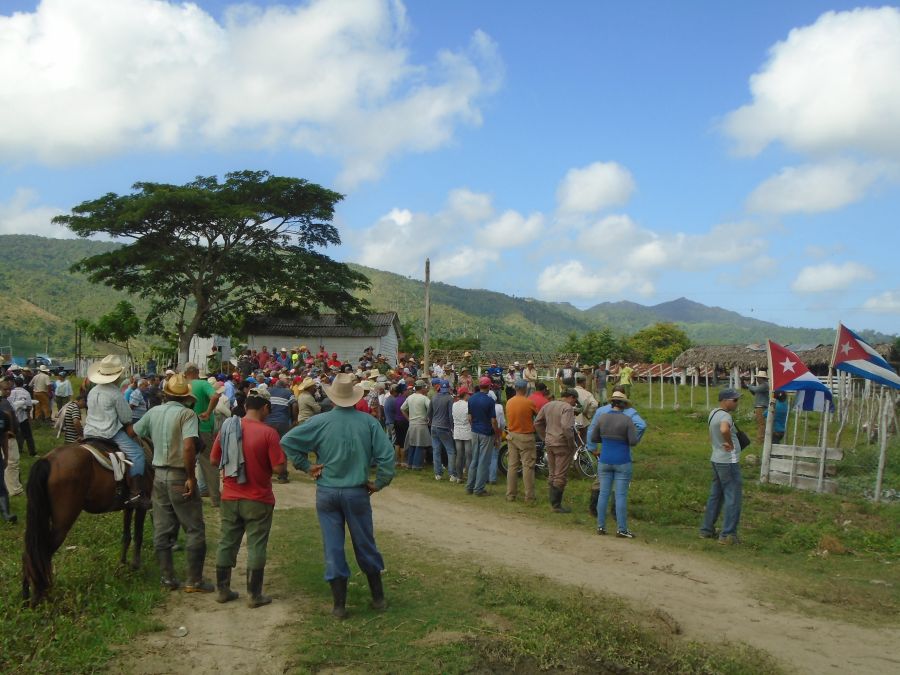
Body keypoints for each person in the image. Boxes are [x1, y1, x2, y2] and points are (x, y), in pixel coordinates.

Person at [280, 373, 395, 619]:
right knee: (365, 542)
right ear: (355, 398)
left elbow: (288, 440)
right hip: (356, 492)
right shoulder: (368, 423)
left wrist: (305, 465)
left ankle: (339, 606)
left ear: (332, 398)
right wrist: (379, 483)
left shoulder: (320, 421)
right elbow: (387, 456)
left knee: (333, 546)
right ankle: (378, 598)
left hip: (328, 492)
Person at [134, 373, 213, 592]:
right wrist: (190, 476)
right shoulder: (188, 415)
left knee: (162, 528)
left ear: (166, 394)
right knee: (194, 528)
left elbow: (135, 432)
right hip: (179, 475)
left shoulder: (153, 412)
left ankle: (168, 578)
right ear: (186, 397)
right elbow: (189, 446)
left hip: (159, 476)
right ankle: (194, 581)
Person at [210, 387, 286, 607]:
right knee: (256, 545)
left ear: (244, 407)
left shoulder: (227, 428)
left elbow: (215, 460)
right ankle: (254, 596)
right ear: (265, 408)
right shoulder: (269, 433)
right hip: (258, 498)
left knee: (226, 542)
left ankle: (222, 590)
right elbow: (279, 468)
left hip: (231, 497)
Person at [83, 355, 150, 508]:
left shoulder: (93, 391)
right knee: (137, 453)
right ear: (117, 376)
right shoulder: (115, 394)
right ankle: (136, 492)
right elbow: (126, 417)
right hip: (110, 433)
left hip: (90, 431)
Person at [585, 384, 646, 517]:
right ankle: (615, 513)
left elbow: (591, 430)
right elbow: (641, 425)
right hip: (623, 451)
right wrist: (632, 440)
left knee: (600, 480)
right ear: (625, 397)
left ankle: (594, 510)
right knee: (620, 484)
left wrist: (592, 448)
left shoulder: (602, 411)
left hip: (605, 449)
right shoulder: (630, 412)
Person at [700, 389, 744, 545]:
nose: (737, 403)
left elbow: (712, 434)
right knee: (733, 496)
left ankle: (706, 529)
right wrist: (730, 443)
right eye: (735, 400)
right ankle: (728, 534)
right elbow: (724, 429)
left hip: (716, 458)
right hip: (728, 461)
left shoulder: (713, 413)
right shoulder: (726, 416)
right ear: (725, 400)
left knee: (716, 495)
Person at [534, 388, 578, 513]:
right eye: (575, 400)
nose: (575, 403)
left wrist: (544, 436)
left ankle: (552, 502)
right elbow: (566, 426)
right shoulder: (567, 408)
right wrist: (571, 442)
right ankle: (556, 505)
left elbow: (537, 422)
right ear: (571, 397)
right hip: (562, 444)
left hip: (549, 442)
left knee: (552, 472)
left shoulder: (548, 405)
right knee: (560, 474)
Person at [183, 362, 221, 507]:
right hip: (202, 427)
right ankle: (215, 499)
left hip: (184, 429)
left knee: (185, 462)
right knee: (209, 464)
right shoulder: (202, 384)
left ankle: (186, 495)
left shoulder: (181, 385)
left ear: (186, 373)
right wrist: (208, 412)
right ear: (197, 372)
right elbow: (215, 396)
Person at [505, 380, 537, 504]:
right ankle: (529, 497)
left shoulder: (509, 402)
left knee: (512, 466)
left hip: (512, 436)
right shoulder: (529, 402)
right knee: (527, 466)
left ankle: (510, 495)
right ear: (525, 389)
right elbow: (538, 415)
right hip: (526, 436)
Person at [466, 377, 499, 497]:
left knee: (474, 459)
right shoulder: (490, 401)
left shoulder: (471, 398)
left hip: (475, 431)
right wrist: (496, 435)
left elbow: (469, 417)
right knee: (483, 461)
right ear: (489, 386)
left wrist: (473, 426)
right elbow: (493, 421)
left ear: (479, 386)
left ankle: (470, 486)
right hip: (486, 432)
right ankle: (478, 489)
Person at [265, 376, 297, 484]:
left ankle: (266, 472)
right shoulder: (288, 393)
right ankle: (282, 476)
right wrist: (294, 419)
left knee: (266, 447)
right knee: (282, 447)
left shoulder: (268, 391)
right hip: (282, 422)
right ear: (284, 386)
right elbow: (295, 405)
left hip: (268, 422)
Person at [427, 379, 456, 481]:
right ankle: (452, 474)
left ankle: (438, 474)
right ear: (448, 388)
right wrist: (452, 428)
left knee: (436, 450)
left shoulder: (434, 397)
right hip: (444, 427)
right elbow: (450, 415)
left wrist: (431, 423)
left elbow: (429, 413)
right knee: (451, 450)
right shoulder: (449, 398)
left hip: (434, 426)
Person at [401, 380, 430, 470]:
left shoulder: (410, 397)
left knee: (412, 444)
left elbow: (402, 408)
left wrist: (408, 418)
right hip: (421, 424)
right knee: (419, 445)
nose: (426, 388)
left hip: (412, 424)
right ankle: (417, 465)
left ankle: (410, 463)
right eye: (424, 387)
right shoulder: (424, 398)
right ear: (422, 388)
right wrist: (429, 417)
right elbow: (431, 408)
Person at [0, 399, 17, 523]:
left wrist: (6, 456)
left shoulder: (4, 416)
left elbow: (4, 437)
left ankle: (6, 514)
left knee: (1, 483)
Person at [451, 387, 472, 482]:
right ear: (465, 395)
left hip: (457, 430)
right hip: (467, 430)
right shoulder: (468, 405)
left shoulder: (454, 405)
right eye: (468, 394)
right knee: (468, 455)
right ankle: (468, 475)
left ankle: (459, 476)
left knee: (459, 454)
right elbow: (470, 418)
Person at [745, 370, 769, 445]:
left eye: (758, 378)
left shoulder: (764, 385)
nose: (757, 379)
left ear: (762, 378)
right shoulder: (762, 386)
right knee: (761, 423)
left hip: (761, 407)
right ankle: (761, 439)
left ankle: (760, 440)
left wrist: (749, 386)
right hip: (760, 407)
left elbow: (755, 389)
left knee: (761, 424)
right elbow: (754, 392)